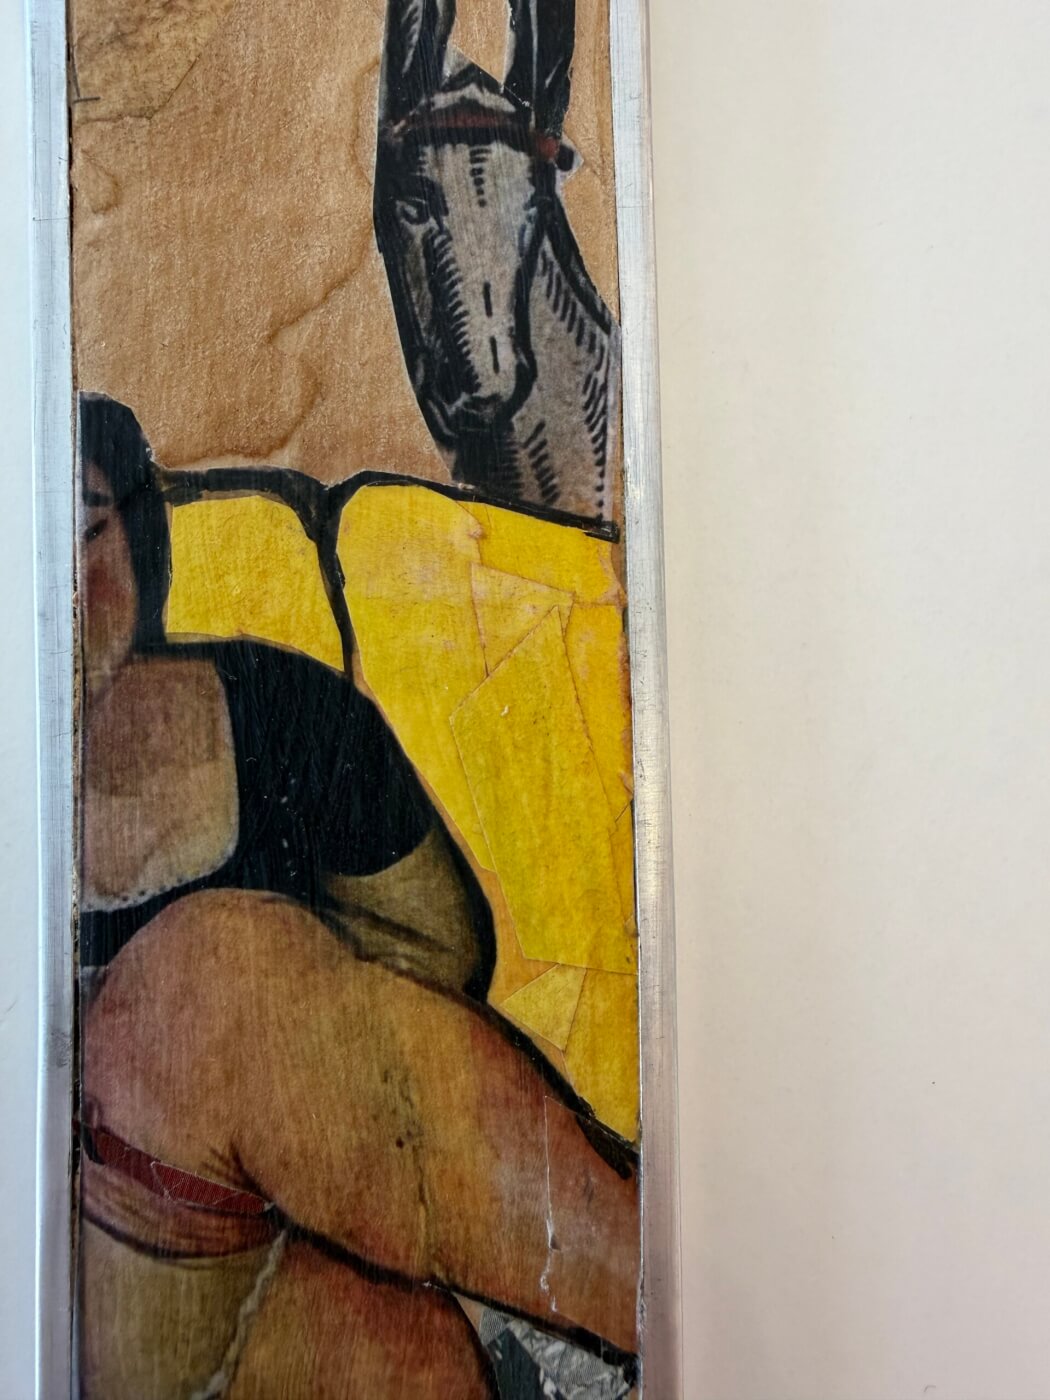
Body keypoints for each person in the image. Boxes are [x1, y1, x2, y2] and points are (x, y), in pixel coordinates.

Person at [76, 393, 639, 1397]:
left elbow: (435, 958)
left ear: (140, 533)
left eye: (86, 529)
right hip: (69, 1269)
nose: (60, 584)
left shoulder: (272, 707)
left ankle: (672, 1319)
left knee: (404, 1350)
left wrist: (286, 1103)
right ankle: (672, 1297)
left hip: (238, 1252)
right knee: (206, 985)